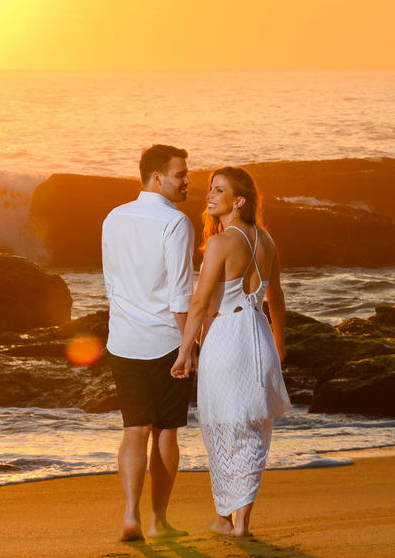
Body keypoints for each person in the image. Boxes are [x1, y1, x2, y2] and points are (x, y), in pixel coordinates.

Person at [171, 166, 290, 538]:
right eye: (210, 188)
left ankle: (228, 517)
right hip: (258, 337)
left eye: (218, 190)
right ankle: (237, 521)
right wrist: (279, 346)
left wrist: (184, 352)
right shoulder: (267, 241)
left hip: (226, 339)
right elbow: (277, 300)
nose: (209, 195)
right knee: (253, 431)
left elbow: (198, 305)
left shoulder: (222, 243)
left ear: (238, 201)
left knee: (221, 428)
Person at [102, 144, 195, 542]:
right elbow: (179, 296)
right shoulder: (176, 223)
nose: (187, 180)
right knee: (167, 432)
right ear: (157, 178)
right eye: (180, 174)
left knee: (134, 430)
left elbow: (111, 279)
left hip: (122, 340)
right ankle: (159, 519)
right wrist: (190, 347)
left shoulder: (113, 217)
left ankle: (129, 516)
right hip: (164, 341)